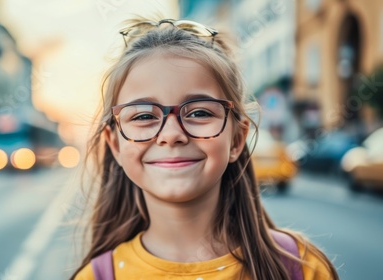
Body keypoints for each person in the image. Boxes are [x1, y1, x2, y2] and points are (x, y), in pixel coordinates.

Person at [72, 18, 339, 280]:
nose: (172, 135)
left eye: (199, 112)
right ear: (115, 144)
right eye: (143, 116)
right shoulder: (96, 276)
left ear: (236, 140)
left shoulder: (301, 268)